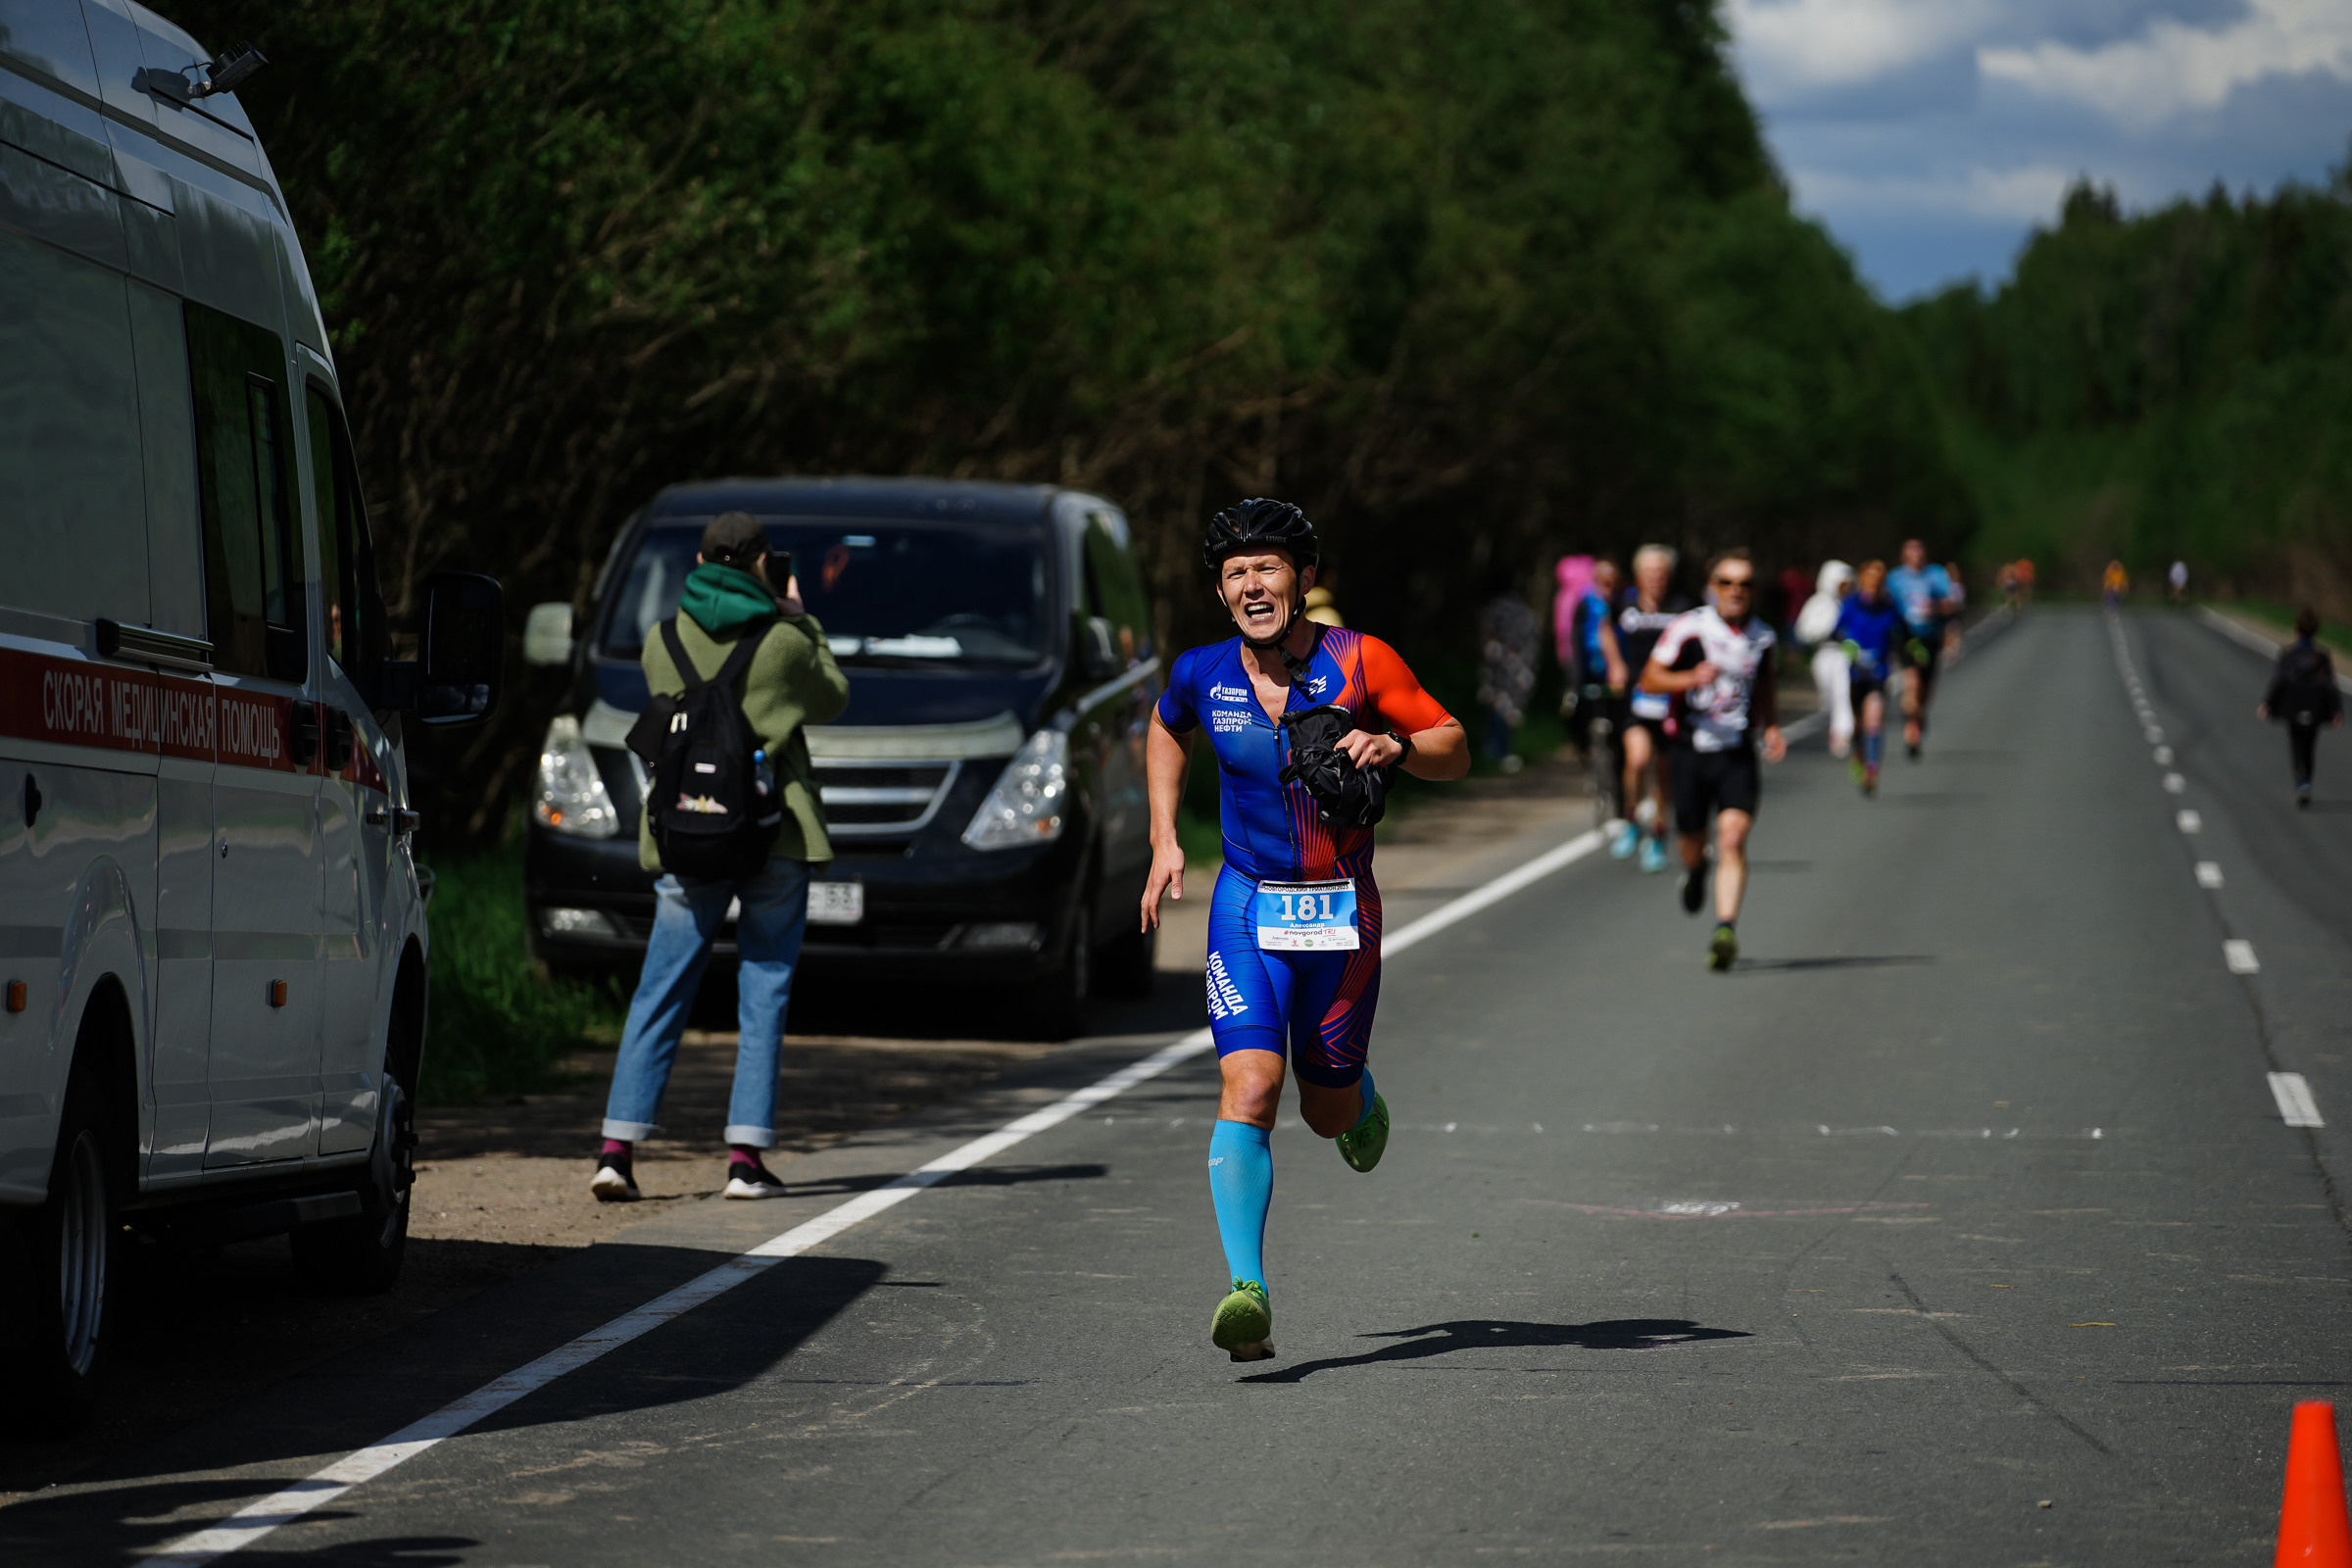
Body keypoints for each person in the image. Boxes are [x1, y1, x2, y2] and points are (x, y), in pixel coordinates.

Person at [1141, 498, 1468, 1362]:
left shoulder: (1360, 661)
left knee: (1323, 1110)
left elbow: (1453, 742)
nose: (1253, 586)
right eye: (1236, 573)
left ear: (1304, 580)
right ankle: (1248, 1290)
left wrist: (1396, 748)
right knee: (1250, 1085)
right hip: (1246, 904)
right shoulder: (1201, 674)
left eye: (1269, 568)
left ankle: (1357, 1100)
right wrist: (1164, 836)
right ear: (1221, 592)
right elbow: (1166, 730)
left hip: (1340, 908)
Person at [592, 513, 850, 1203]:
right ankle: (744, 1160)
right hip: (774, 833)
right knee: (763, 987)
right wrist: (802, 619)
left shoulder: (662, 637)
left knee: (661, 987)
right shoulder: (785, 642)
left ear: (703, 560)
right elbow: (833, 697)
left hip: (686, 834)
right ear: (763, 563)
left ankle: (617, 1151)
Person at [1641, 548, 1785, 971]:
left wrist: (1772, 727)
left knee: (1733, 839)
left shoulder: (1763, 637)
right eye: (1727, 582)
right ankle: (1696, 870)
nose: (1736, 591)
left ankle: (1725, 929)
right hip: (1689, 751)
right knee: (1692, 846)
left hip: (1736, 752)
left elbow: (1766, 687)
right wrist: (1687, 678)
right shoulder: (1689, 628)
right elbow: (1649, 678)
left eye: (1745, 584)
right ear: (1713, 586)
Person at [1605, 545, 1691, 872]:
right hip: (1636, 699)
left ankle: (1657, 834)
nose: (1656, 578)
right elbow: (1604, 628)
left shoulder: (1683, 607)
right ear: (1639, 576)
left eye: (1662, 572)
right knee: (1638, 758)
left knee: (1664, 772)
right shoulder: (1624, 605)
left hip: (1671, 703)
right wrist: (1615, 663)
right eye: (1650, 572)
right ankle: (1631, 819)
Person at [2258, 609, 2344, 808]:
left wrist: (2268, 703)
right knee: (2309, 747)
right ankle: (2307, 783)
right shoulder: (2321, 656)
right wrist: (2336, 711)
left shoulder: (2288, 654)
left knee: (2297, 747)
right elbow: (2330, 685)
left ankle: (2302, 783)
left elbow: (2279, 681)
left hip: (2293, 706)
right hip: (2315, 707)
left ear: (2296, 630)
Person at [1832, 561, 1904, 795]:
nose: (1873, 585)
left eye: (1878, 580)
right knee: (1858, 723)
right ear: (1862, 580)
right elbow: (1835, 631)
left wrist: (1909, 649)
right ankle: (1859, 753)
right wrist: (1847, 644)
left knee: (1874, 718)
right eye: (1869, 579)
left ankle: (1872, 769)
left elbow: (1902, 631)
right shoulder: (1850, 604)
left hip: (1879, 672)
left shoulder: (1889, 606)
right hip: (1855, 674)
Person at [1886, 539, 1956, 760]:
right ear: (1904, 555)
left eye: (1919, 550)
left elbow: (1953, 603)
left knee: (1924, 690)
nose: (1916, 555)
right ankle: (1911, 731)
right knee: (1912, 682)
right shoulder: (1895, 578)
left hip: (1930, 637)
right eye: (1911, 550)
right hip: (1906, 637)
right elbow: (1884, 605)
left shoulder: (1936, 575)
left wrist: (1934, 607)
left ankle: (1918, 716)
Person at [1793, 561, 1855, 760]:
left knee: (1843, 693)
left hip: (1843, 655)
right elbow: (1803, 631)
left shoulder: (1849, 603)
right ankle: (1834, 725)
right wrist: (1827, 629)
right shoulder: (1818, 603)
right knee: (1828, 697)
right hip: (1824, 654)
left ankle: (1842, 734)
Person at [1478, 584, 1539, 774]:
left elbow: (1487, 636)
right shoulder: (1524, 611)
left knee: (1498, 706)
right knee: (1509, 708)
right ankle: (1503, 752)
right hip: (1520, 667)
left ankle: (1498, 753)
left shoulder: (1495, 609)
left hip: (1501, 666)